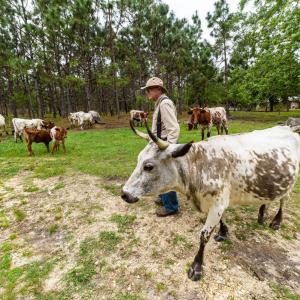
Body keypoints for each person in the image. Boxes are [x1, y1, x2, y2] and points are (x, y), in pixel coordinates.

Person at [141, 77, 180, 217]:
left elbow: (174, 129)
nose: (147, 93)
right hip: (160, 143)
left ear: (158, 89)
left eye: (149, 90)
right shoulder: (160, 103)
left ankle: (171, 207)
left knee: (165, 174)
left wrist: (169, 149)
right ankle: (164, 198)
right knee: (158, 173)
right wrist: (150, 137)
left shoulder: (164, 104)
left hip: (165, 145)